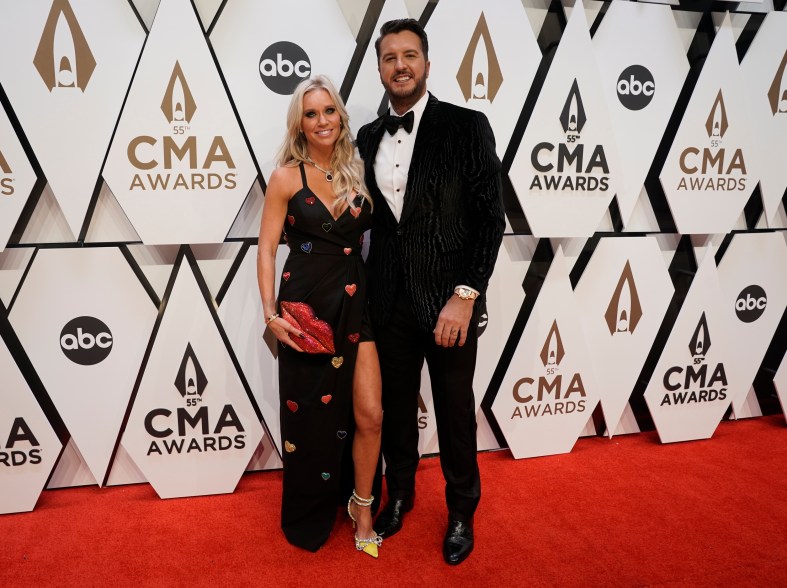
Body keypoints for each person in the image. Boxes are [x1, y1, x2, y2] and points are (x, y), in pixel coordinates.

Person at [356, 19, 504, 565]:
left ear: (426, 62)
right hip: (387, 299)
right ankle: (400, 498)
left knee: (454, 411)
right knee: (396, 410)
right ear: (379, 68)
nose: (401, 65)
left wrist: (465, 295)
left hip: (449, 303)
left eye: (410, 55)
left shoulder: (466, 126)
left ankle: (462, 510)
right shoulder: (367, 137)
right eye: (390, 57)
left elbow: (491, 218)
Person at [257, 75, 383, 557]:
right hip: (305, 309)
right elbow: (267, 251)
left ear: (340, 115)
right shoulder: (286, 176)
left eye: (328, 110)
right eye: (311, 114)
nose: (322, 120)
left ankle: (362, 505)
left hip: (356, 303)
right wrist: (271, 316)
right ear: (300, 124)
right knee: (308, 418)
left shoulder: (358, 170)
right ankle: (311, 510)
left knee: (370, 414)